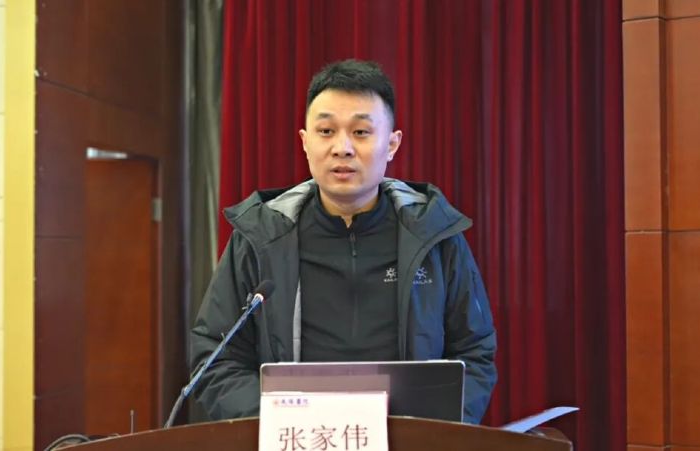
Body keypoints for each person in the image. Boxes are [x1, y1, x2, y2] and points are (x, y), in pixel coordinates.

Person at [190, 59, 496, 424]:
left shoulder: (434, 234)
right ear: (305, 142)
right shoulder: (262, 235)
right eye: (326, 131)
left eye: (361, 132)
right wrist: (279, 424)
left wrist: (432, 432)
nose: (342, 148)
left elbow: (475, 353)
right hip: (297, 439)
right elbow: (215, 357)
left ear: (392, 144)